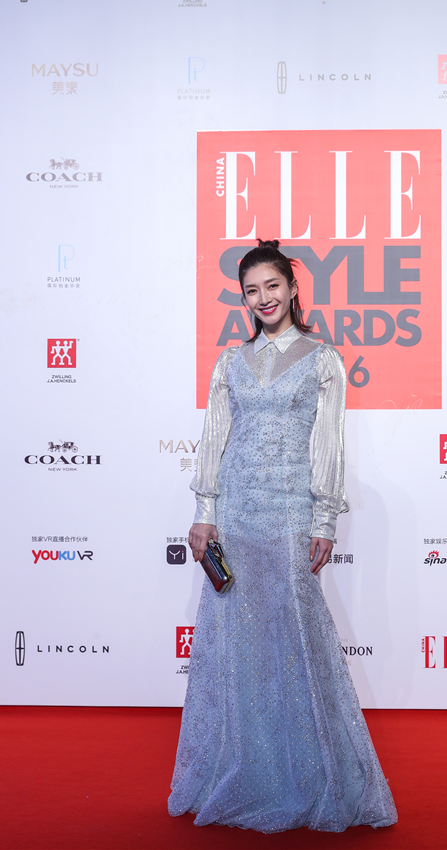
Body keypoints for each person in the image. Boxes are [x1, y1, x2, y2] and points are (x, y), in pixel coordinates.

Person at [168, 239, 397, 833]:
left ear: (293, 289)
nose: (263, 298)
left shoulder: (323, 360)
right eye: (252, 290)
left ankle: (311, 777)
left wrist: (324, 520)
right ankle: (240, 768)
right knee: (237, 644)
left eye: (273, 286)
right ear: (243, 299)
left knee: (295, 640)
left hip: (292, 513)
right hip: (236, 514)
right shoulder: (229, 363)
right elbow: (214, 440)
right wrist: (205, 511)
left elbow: (329, 444)